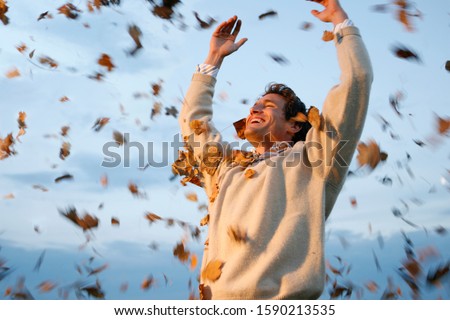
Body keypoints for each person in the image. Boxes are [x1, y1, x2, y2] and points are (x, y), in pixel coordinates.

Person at [178, 0, 373, 299]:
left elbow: (356, 83)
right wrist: (213, 59)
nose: (256, 108)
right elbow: (193, 122)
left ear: (295, 124)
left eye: (269, 106)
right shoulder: (225, 169)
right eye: (256, 104)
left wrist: (340, 22)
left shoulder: (313, 160)